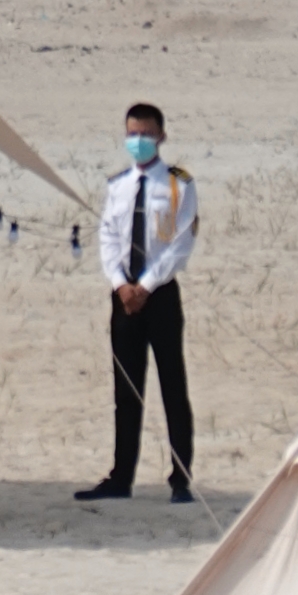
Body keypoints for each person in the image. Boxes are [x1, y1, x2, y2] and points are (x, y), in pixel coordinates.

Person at [75, 101, 197, 505]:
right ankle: (120, 477)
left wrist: (144, 285)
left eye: (145, 134)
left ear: (161, 136)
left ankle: (181, 479)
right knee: (126, 390)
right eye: (132, 134)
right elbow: (108, 238)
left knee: (172, 386)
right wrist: (120, 285)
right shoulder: (118, 185)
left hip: (159, 295)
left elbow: (179, 245)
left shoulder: (179, 183)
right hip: (123, 297)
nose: (138, 141)